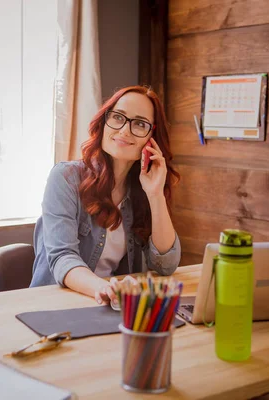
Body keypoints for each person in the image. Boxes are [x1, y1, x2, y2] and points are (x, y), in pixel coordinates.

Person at [30, 86, 181, 305]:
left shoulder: (143, 188)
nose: (125, 131)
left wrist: (156, 194)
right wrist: (104, 288)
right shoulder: (65, 177)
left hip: (109, 306)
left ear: (152, 137)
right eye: (118, 117)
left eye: (140, 123)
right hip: (55, 304)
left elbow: (166, 265)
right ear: (104, 122)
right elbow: (62, 257)